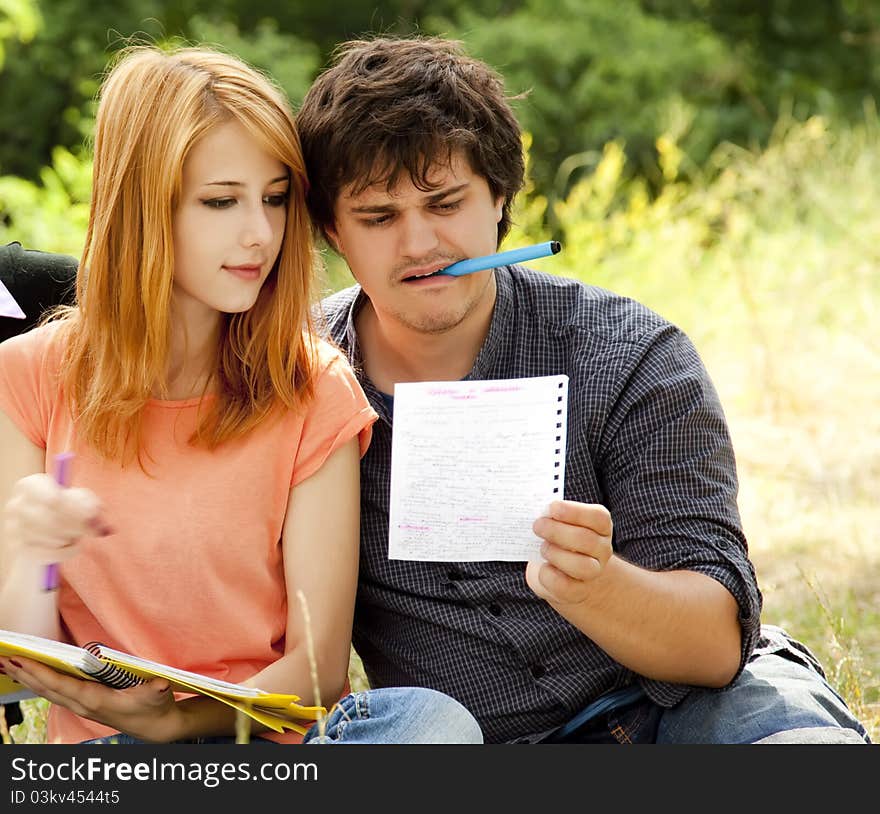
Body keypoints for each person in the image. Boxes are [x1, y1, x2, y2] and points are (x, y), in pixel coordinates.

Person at [295, 35, 871, 744]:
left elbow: (718, 645)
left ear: (499, 197)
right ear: (331, 230)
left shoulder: (628, 355)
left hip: (682, 707)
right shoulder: (296, 383)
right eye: (378, 218)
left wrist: (596, 584)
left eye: (445, 203)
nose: (418, 244)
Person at [0, 45, 481, 745]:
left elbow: (316, 670)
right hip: (116, 754)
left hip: (274, 744)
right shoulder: (28, 375)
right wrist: (30, 553)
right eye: (221, 201)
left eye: (276, 198)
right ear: (141, 207)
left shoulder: (314, 386)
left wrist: (176, 720)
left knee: (434, 726)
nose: (260, 234)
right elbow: (27, 661)